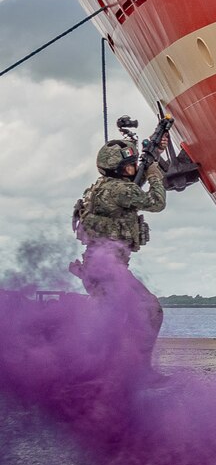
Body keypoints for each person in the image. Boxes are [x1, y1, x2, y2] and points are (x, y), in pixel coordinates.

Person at [71, 137, 167, 331]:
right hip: (108, 271)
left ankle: (106, 357)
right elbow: (157, 202)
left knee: (112, 320)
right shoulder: (121, 190)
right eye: (130, 165)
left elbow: (133, 187)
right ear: (120, 169)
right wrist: (154, 174)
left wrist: (154, 153)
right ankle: (136, 360)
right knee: (150, 310)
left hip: (100, 267)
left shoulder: (101, 187)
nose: (133, 168)